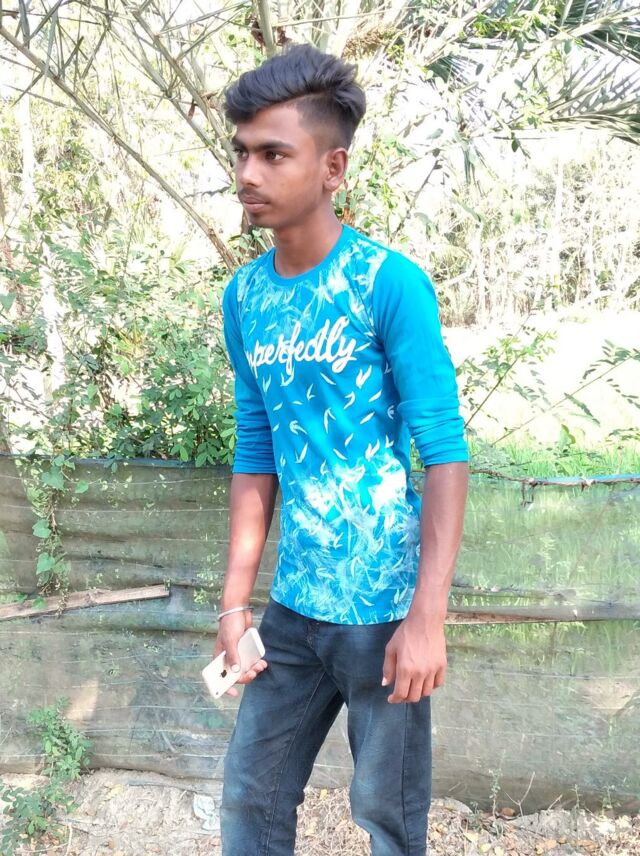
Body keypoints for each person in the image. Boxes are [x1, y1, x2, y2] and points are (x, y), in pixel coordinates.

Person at [215, 42, 469, 856]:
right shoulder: (245, 297)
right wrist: (234, 606)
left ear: (333, 168)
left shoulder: (388, 283)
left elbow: (444, 451)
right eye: (243, 153)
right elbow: (256, 448)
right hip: (293, 610)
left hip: (383, 613)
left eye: (273, 154)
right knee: (250, 798)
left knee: (388, 817)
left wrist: (426, 618)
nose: (248, 173)